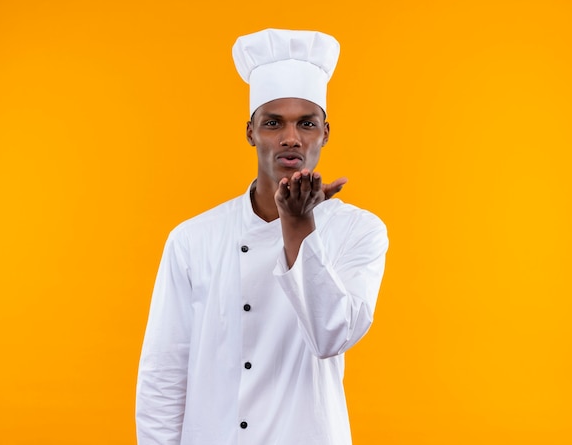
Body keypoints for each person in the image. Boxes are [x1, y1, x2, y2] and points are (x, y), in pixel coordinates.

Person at [136, 28, 389, 445]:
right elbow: (164, 374)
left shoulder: (360, 231)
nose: (291, 137)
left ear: (325, 132)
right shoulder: (191, 240)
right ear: (251, 132)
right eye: (273, 123)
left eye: (306, 123)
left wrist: (299, 223)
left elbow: (331, 337)